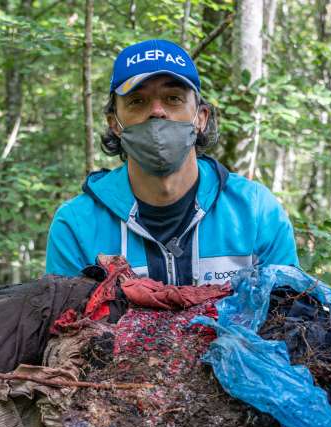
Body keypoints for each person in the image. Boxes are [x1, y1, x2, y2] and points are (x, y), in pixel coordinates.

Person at [46, 39, 299, 284]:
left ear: (201, 117)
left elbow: (292, 311)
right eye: (137, 101)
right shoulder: (76, 225)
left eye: (173, 98)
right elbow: (66, 322)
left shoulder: (254, 211)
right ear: (115, 124)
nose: (157, 111)